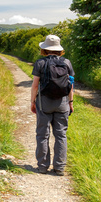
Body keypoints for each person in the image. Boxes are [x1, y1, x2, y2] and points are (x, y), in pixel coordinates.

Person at [30, 35, 74, 176]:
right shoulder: (67, 62)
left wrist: (32, 102)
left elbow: (35, 85)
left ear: (45, 49)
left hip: (44, 104)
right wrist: (70, 102)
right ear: (59, 49)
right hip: (62, 103)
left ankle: (43, 166)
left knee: (43, 135)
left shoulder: (40, 63)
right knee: (61, 136)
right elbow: (71, 85)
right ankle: (59, 168)